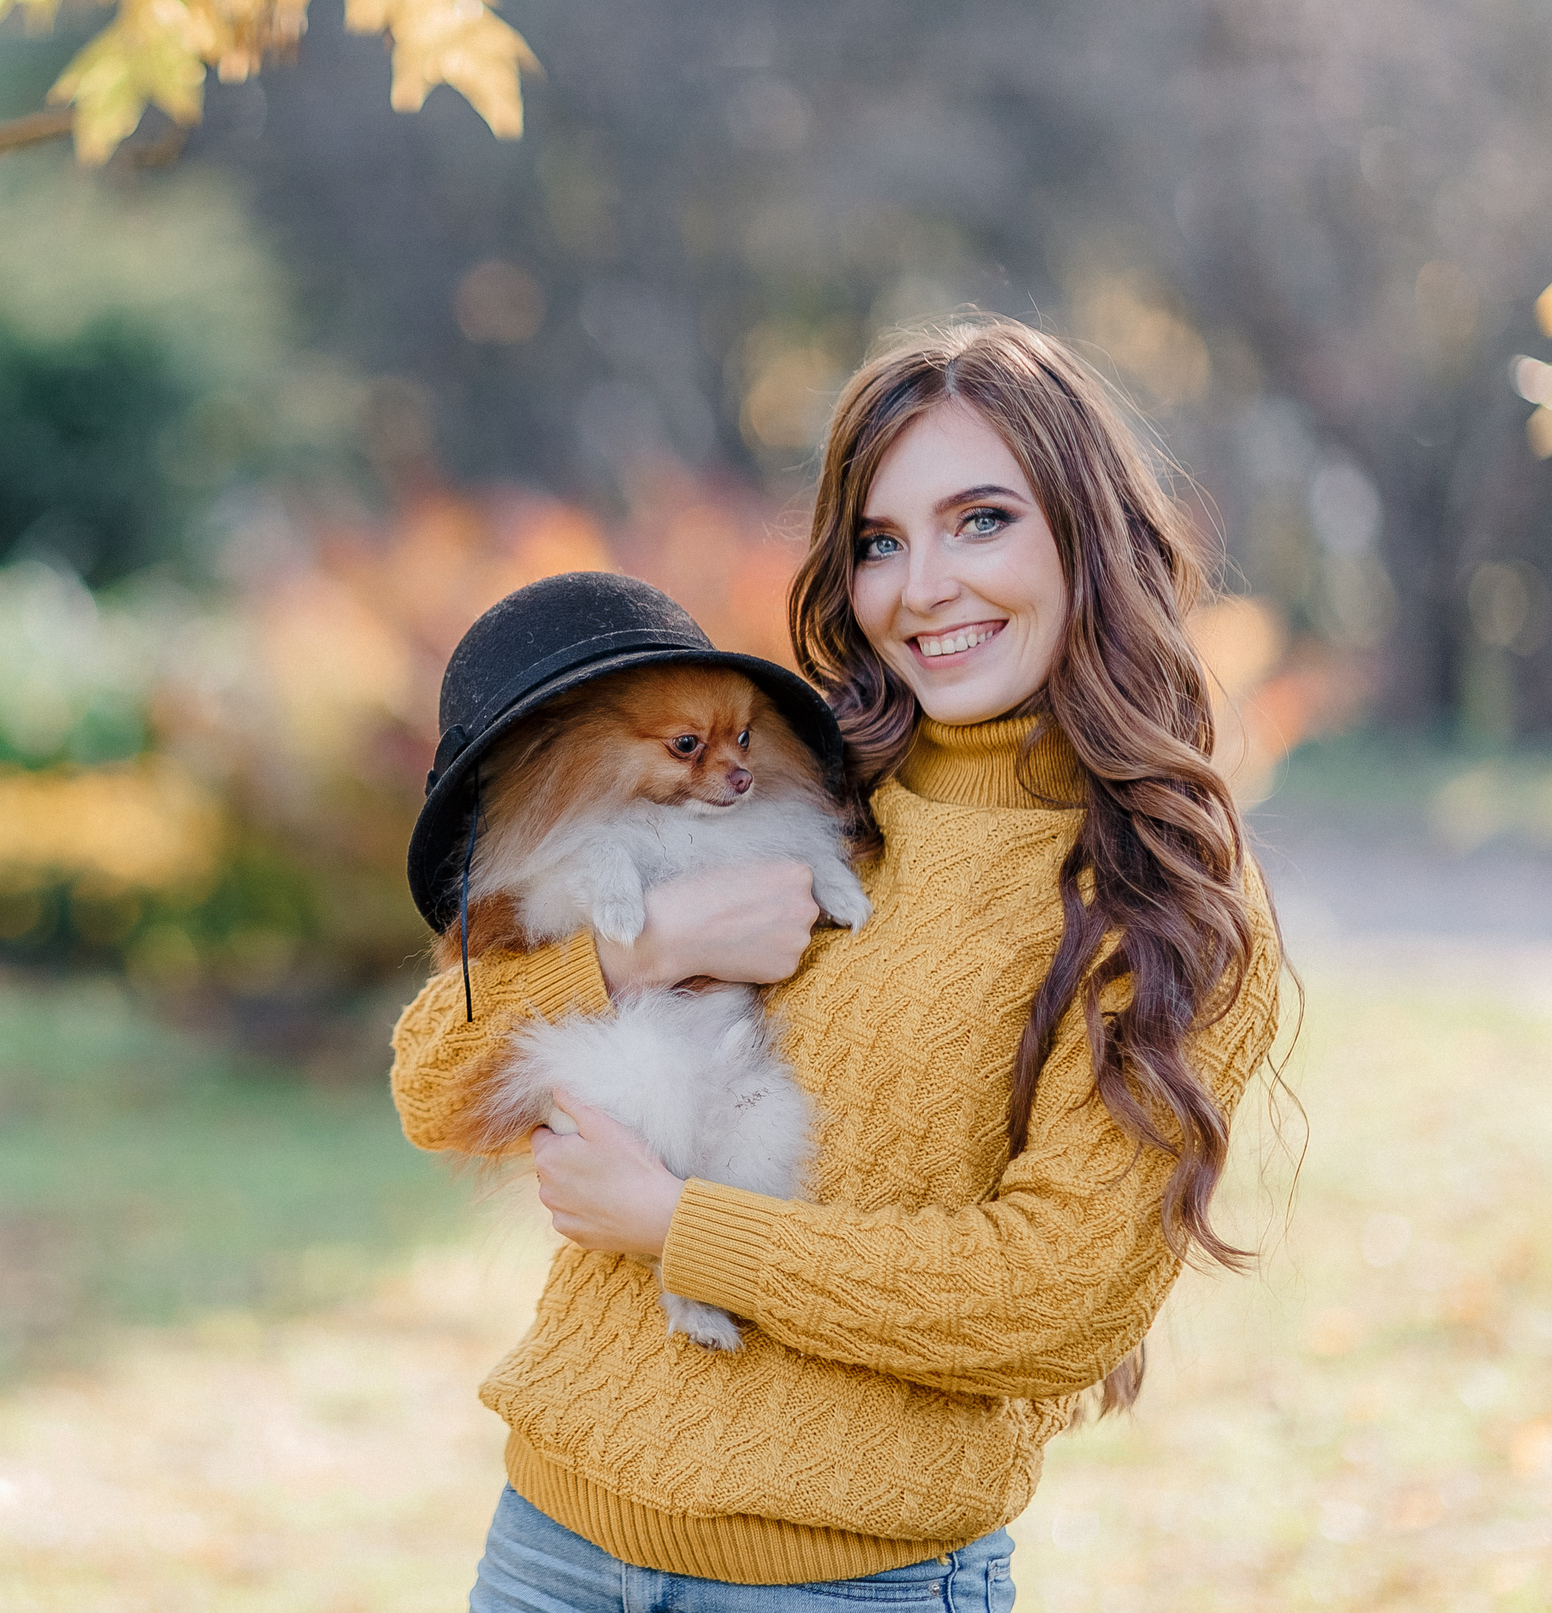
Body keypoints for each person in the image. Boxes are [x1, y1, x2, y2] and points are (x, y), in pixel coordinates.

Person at [390, 316, 1287, 1611]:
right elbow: (435, 1082)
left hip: (838, 1587)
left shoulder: (1158, 893)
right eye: (880, 541)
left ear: (1086, 536)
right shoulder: (779, 779)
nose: (922, 586)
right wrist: (656, 949)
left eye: (982, 521)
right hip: (553, 1546)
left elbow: (1056, 1299)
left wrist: (680, 1229)